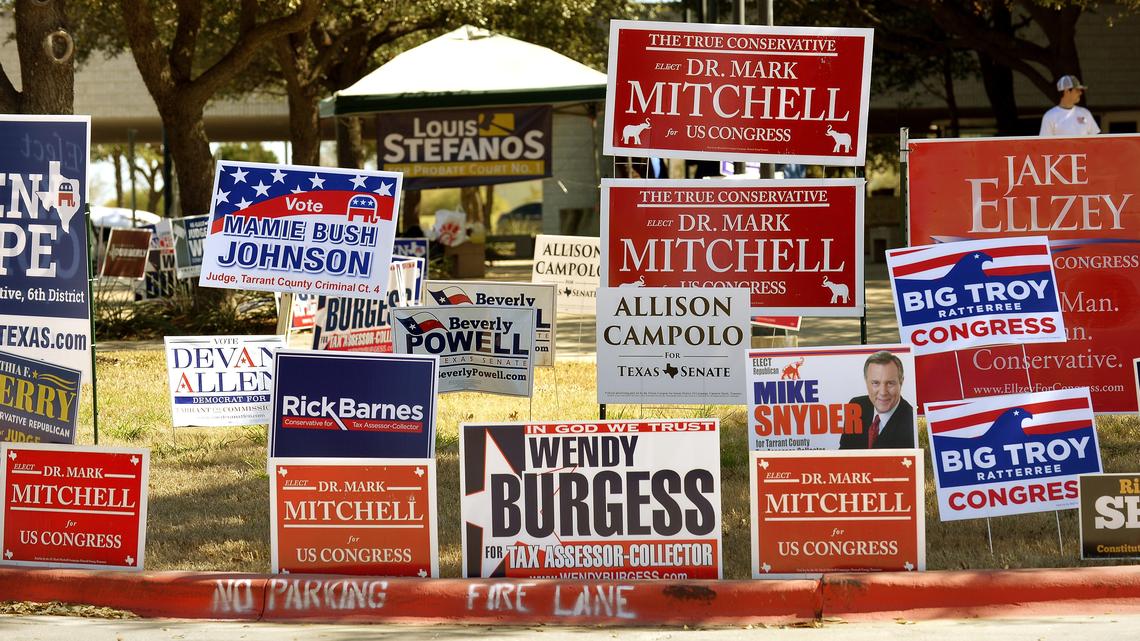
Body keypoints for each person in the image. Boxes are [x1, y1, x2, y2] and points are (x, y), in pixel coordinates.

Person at [839, 351, 915, 449]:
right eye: (875, 383)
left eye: (890, 383)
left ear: (901, 382)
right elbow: (844, 452)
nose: (883, 392)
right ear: (866, 382)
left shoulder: (910, 420)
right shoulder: (856, 406)